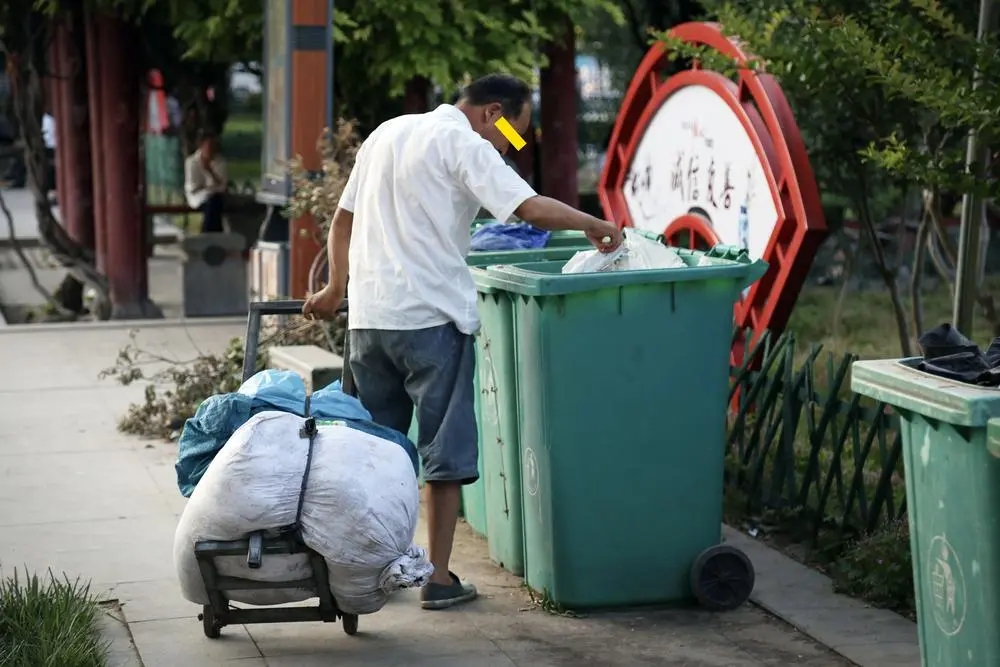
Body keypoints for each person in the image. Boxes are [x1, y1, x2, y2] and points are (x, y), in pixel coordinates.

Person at [302, 73, 622, 610]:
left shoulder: (386, 133)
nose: (507, 147)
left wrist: (336, 287)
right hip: (431, 320)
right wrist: (594, 223)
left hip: (371, 319)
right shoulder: (463, 143)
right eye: (511, 134)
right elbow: (529, 207)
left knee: (376, 451)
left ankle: (371, 565)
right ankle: (439, 577)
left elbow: (342, 220)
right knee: (443, 454)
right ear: (492, 112)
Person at [184, 131, 228, 233]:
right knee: (213, 203)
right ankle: (212, 233)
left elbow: (222, 187)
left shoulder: (220, 162)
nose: (211, 149)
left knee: (214, 202)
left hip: (215, 196)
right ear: (201, 146)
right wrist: (212, 186)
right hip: (197, 197)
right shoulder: (192, 162)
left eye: (213, 146)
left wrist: (210, 171)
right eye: (208, 145)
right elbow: (193, 187)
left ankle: (208, 233)